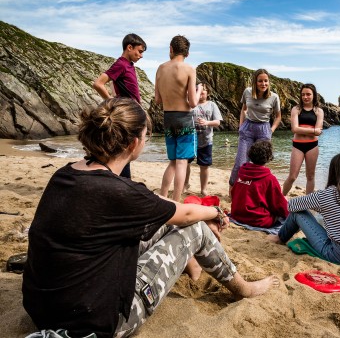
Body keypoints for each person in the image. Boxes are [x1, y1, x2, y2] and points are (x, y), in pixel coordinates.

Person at [22, 98, 279, 338]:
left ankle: (192, 264)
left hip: (41, 309)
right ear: (134, 144)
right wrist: (216, 212)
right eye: (146, 136)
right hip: (98, 320)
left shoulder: (65, 174)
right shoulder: (121, 192)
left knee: (168, 220)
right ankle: (244, 289)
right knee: (197, 229)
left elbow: (160, 206)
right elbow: (186, 213)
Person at [268, 152, 340, 267]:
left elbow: (292, 206)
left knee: (298, 213)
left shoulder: (329, 194)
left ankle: (279, 238)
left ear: (333, 172)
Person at [156, 35, 203, 202]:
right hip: (184, 118)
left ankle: (162, 196)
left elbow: (157, 100)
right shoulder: (189, 69)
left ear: (171, 49)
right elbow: (193, 102)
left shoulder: (160, 69)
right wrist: (198, 90)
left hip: (168, 118)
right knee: (182, 162)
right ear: (187, 54)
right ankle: (176, 200)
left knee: (173, 161)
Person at [93, 33, 147, 179]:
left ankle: (121, 181)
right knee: (126, 152)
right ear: (129, 47)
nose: (141, 55)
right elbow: (98, 83)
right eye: (139, 51)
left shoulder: (129, 65)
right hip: (127, 115)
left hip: (133, 112)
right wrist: (112, 101)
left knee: (126, 151)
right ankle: (123, 182)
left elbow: (116, 84)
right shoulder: (121, 64)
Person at [228, 69, 282, 189]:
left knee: (259, 165)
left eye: (266, 81)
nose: (263, 84)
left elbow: (278, 117)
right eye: (260, 81)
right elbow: (243, 109)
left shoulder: (274, 97)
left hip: (264, 129)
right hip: (248, 128)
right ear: (255, 82)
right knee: (240, 162)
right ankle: (232, 187)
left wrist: (271, 130)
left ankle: (256, 189)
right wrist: (241, 126)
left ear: (269, 82)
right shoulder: (247, 92)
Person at [230, 140, 288, 229]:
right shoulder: (269, 179)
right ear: (269, 157)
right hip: (257, 219)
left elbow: (233, 193)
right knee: (283, 212)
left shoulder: (242, 173)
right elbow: (278, 204)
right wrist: (288, 213)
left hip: (237, 214)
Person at [282, 84, 324, 196]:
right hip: (298, 146)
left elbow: (318, 130)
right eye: (303, 94)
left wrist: (307, 130)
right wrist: (313, 131)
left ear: (314, 95)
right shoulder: (296, 109)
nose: (305, 97)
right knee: (292, 177)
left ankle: (307, 203)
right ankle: (280, 199)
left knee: (310, 176)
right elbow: (294, 129)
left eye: (308, 94)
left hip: (313, 146)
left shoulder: (319, 111)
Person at [184, 83, 223, 196]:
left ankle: (203, 189)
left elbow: (217, 122)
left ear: (208, 93)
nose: (201, 92)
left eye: (203, 90)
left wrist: (207, 122)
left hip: (206, 140)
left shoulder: (212, 105)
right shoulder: (190, 104)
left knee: (204, 165)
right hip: (190, 139)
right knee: (186, 162)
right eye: (197, 90)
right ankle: (185, 184)